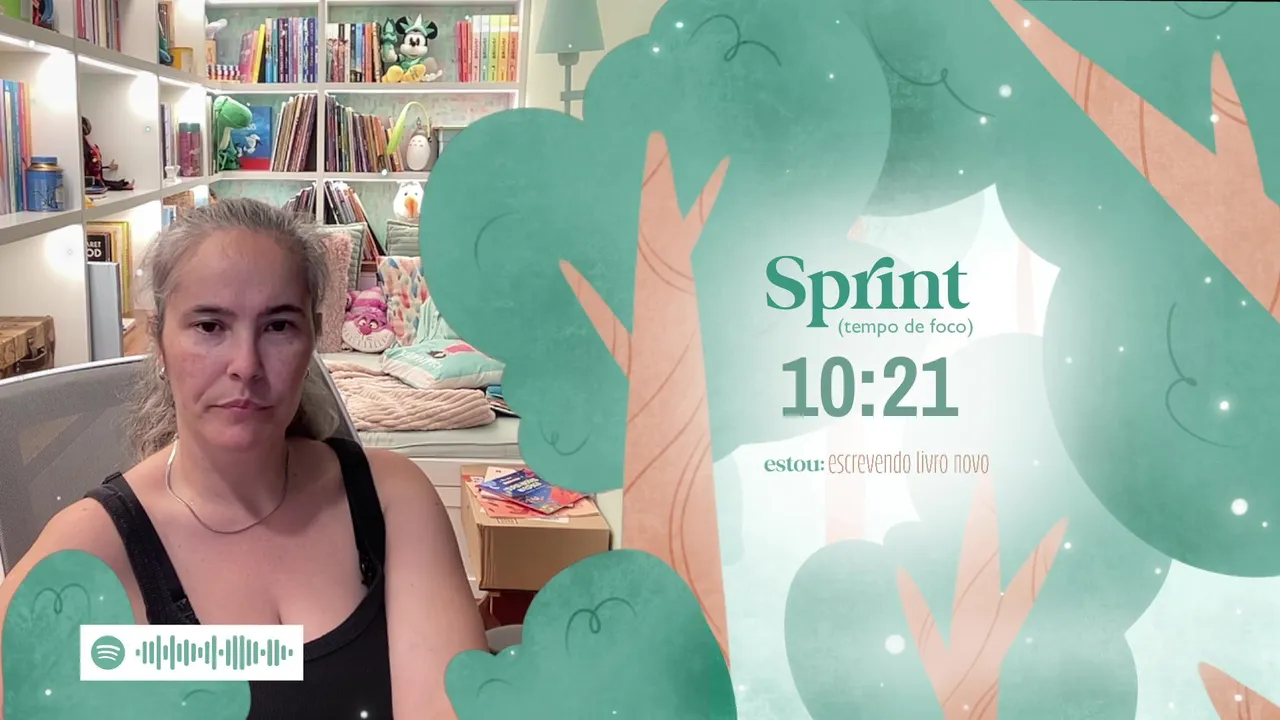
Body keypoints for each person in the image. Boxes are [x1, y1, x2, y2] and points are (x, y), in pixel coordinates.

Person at [0, 198, 488, 718]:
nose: (246, 364)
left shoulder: (390, 499)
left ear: (311, 339)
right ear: (159, 342)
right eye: (210, 326)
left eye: (278, 327)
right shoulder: (90, 550)